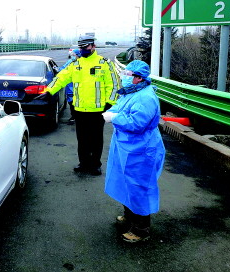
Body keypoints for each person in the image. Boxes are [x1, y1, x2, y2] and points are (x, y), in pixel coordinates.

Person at [36, 35, 120, 175]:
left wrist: (109, 104)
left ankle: (95, 165)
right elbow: (61, 78)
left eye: (85, 47)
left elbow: (114, 85)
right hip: (79, 109)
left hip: (98, 110)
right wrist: (49, 91)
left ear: (93, 46)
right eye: (80, 47)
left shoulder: (104, 63)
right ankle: (84, 163)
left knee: (96, 139)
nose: (82, 50)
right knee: (82, 139)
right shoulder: (75, 65)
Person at [102, 60, 166, 243]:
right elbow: (121, 107)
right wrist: (113, 112)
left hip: (141, 149)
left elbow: (137, 123)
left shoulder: (145, 97)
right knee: (125, 183)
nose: (124, 77)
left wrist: (115, 117)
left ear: (139, 78)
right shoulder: (133, 91)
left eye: (128, 74)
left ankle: (141, 229)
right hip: (128, 146)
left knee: (138, 187)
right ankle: (129, 217)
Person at [58, 49, 81, 124]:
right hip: (70, 87)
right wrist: (57, 70)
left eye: (74, 55)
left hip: (79, 87)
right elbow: (63, 69)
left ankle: (77, 117)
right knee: (71, 102)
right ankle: (73, 117)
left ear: (78, 55)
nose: (72, 56)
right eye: (72, 55)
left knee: (78, 103)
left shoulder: (82, 63)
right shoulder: (70, 62)